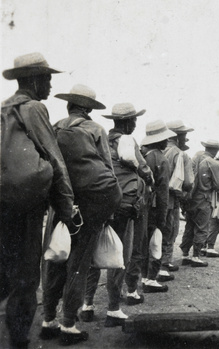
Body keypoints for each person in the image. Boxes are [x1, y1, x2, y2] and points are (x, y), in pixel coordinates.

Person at [1, 52, 74, 349]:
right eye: (47, 78)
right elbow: (54, 159)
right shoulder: (34, 108)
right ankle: (18, 340)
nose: (50, 84)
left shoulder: (5, 109)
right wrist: (67, 207)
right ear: (33, 79)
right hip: (26, 204)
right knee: (26, 275)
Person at [43, 84, 122, 346]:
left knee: (56, 256)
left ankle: (47, 320)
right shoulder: (95, 129)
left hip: (62, 201)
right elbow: (107, 168)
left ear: (68, 105)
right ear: (88, 109)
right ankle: (68, 325)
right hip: (90, 203)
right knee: (78, 262)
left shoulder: (55, 126)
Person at [82, 103, 152, 327]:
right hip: (124, 203)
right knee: (120, 253)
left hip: (100, 200)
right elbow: (142, 168)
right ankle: (113, 308)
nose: (135, 123)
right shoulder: (127, 140)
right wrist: (148, 179)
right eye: (133, 120)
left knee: (94, 251)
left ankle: (87, 305)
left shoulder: (101, 138)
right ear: (127, 121)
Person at [125, 120, 175, 299]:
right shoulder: (161, 159)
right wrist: (163, 217)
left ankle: (142, 277)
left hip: (142, 206)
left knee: (142, 243)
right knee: (157, 241)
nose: (166, 142)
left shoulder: (144, 156)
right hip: (155, 208)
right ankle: (150, 278)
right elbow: (163, 192)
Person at [180, 140, 219, 264]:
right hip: (204, 198)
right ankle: (196, 256)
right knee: (202, 228)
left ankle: (185, 255)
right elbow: (217, 185)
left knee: (189, 226)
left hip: (191, 198)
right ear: (216, 150)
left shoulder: (195, 158)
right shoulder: (213, 163)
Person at [162, 120, 194, 272]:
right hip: (172, 198)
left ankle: (154, 262)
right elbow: (187, 182)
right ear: (178, 137)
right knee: (170, 230)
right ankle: (164, 262)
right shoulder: (180, 154)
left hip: (156, 197)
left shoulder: (156, 150)